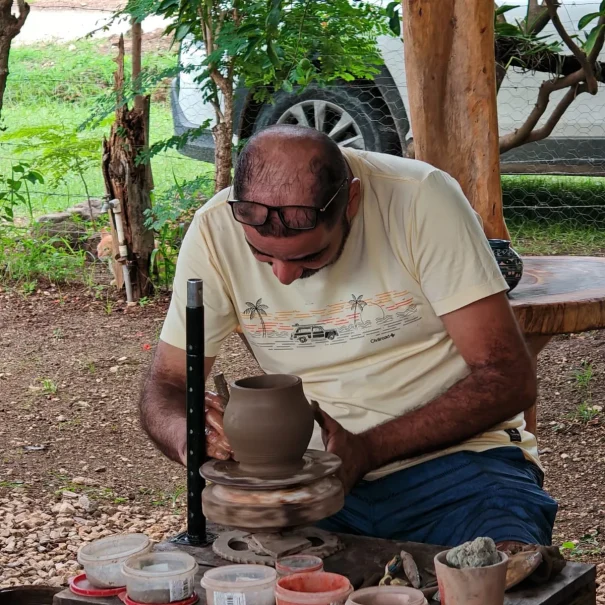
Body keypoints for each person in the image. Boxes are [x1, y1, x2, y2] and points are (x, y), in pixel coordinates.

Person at [140, 124, 557, 548]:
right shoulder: (214, 231)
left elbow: (507, 377)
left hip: (462, 467)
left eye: (309, 256)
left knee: (497, 575)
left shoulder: (419, 198)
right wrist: (189, 438)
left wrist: (369, 450)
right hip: (307, 475)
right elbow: (168, 385)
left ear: (351, 201)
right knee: (214, 580)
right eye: (262, 256)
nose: (283, 277)